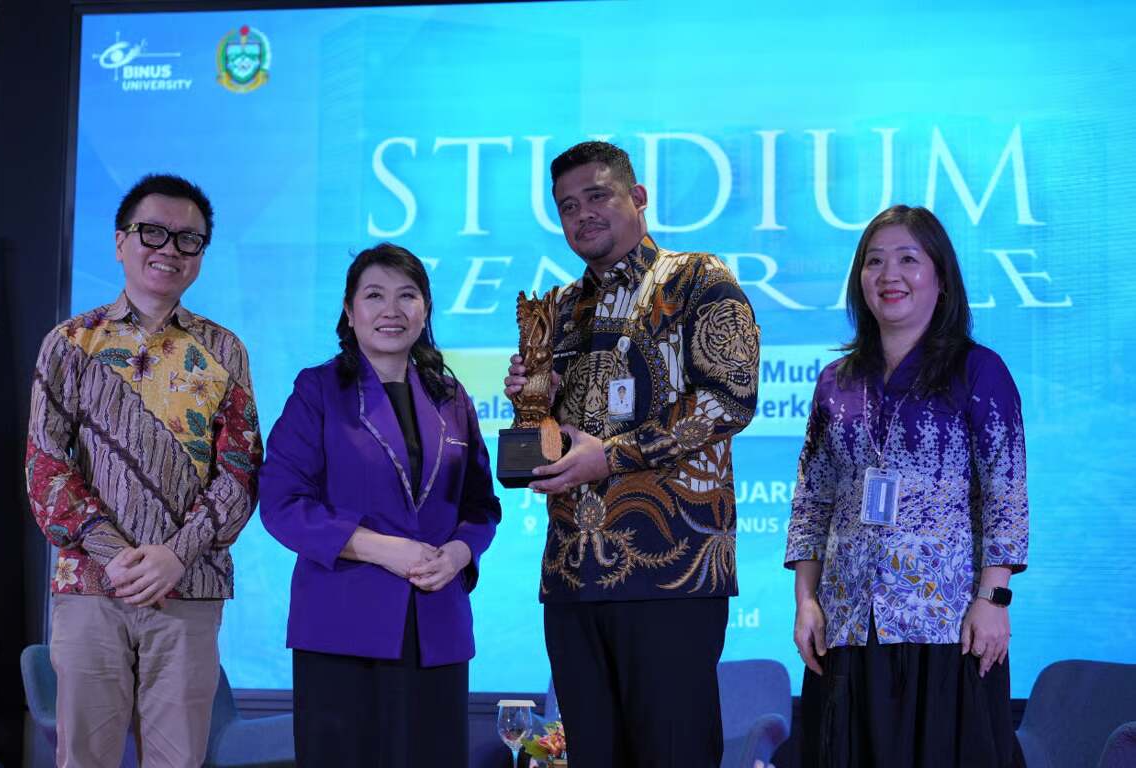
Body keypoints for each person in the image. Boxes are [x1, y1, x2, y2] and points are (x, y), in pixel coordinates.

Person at [504, 141, 760, 767]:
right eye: (567, 206)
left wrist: (612, 457)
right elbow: (554, 443)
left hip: (671, 572)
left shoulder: (697, 278)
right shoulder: (561, 309)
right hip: (572, 574)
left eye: (597, 196)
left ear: (638, 197)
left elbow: (732, 397)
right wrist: (534, 406)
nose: (582, 214)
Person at [25, 173, 262, 767]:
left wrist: (175, 555)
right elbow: (46, 465)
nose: (169, 250)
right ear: (120, 242)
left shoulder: (224, 350)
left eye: (188, 240)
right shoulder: (71, 343)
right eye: (153, 232)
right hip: (90, 584)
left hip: (190, 586)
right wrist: (116, 554)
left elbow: (240, 471)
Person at [784, 205, 1028, 768]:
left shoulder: (978, 370)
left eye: (908, 260)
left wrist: (993, 599)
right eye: (874, 262)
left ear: (941, 280)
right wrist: (805, 602)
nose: (888, 275)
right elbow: (812, 499)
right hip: (848, 622)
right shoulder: (835, 382)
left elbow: (1007, 493)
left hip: (945, 623)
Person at [259, 243, 501, 768]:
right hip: (343, 625)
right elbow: (281, 502)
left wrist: (458, 554)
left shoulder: (450, 396)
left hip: (437, 624)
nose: (391, 310)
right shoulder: (319, 389)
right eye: (374, 296)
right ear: (349, 311)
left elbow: (481, 505)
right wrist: (382, 549)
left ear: (426, 309)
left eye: (406, 296)